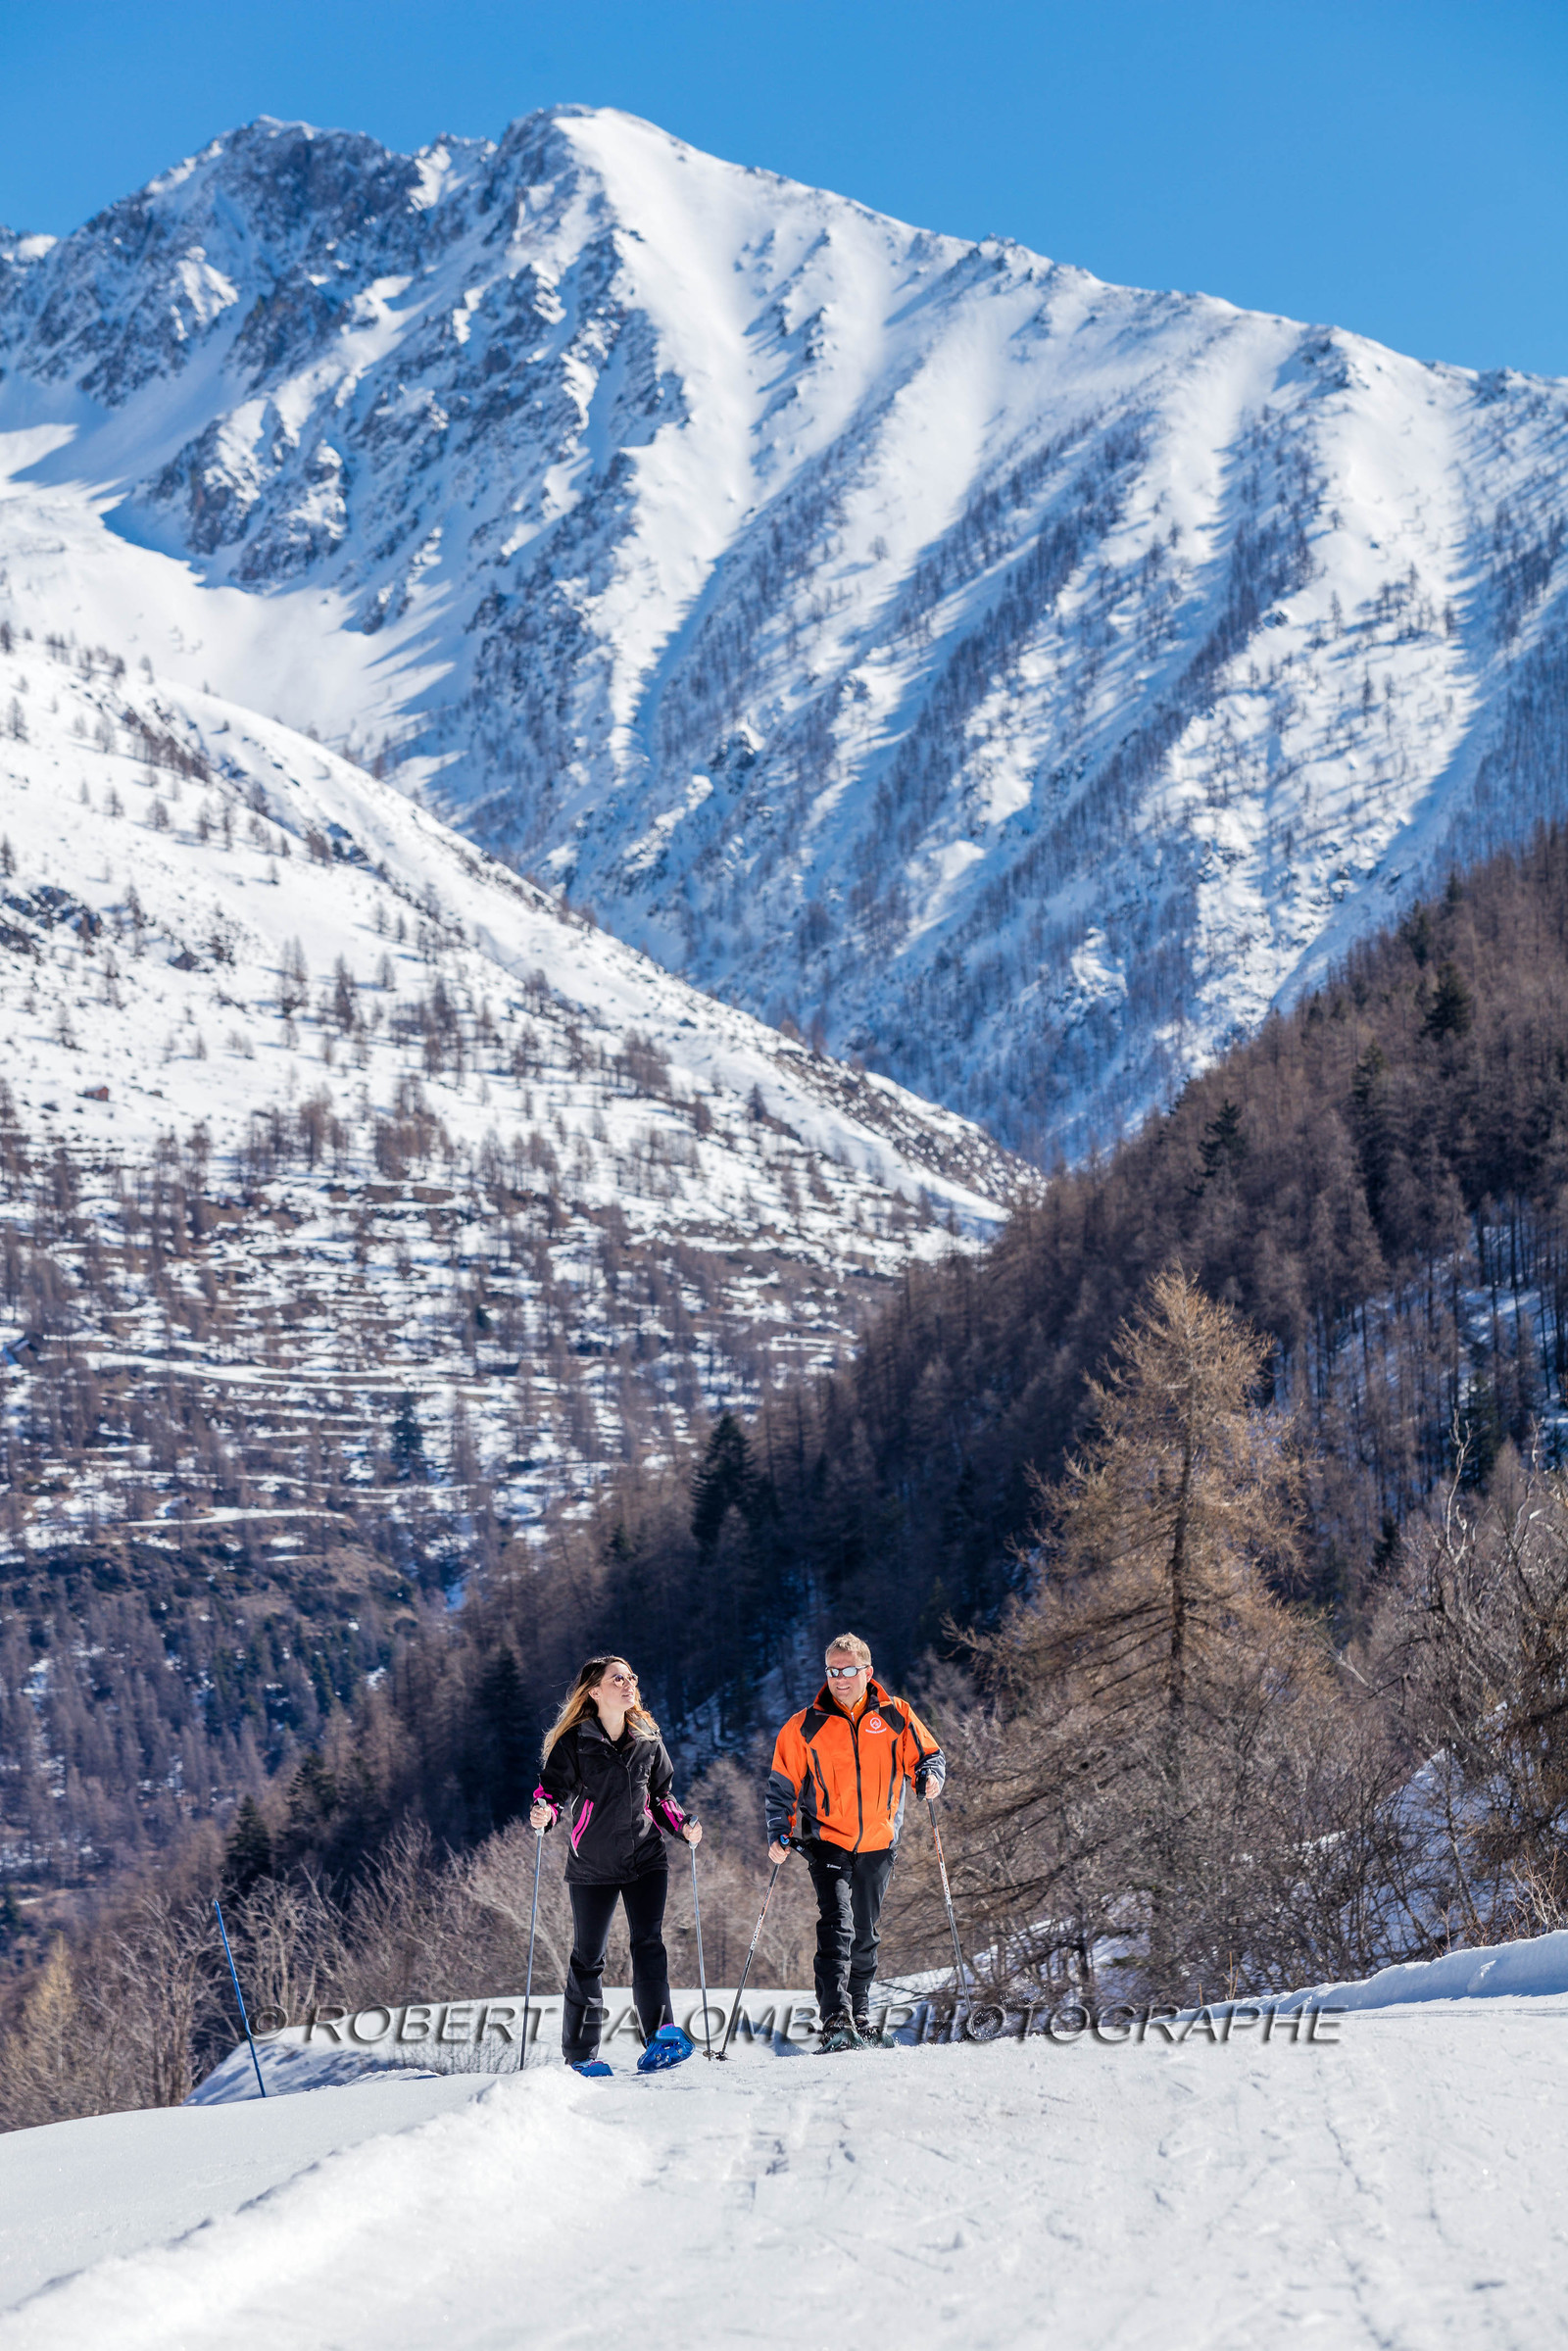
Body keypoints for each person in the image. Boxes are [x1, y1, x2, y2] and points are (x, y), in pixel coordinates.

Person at [765, 1632, 946, 2050]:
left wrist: (930, 1777)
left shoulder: (896, 1714)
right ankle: (835, 2019)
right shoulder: (804, 1725)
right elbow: (781, 1787)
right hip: (827, 1839)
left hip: (880, 1839)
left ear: (867, 1671)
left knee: (865, 1931)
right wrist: (779, 1830)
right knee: (837, 1925)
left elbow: (928, 1755)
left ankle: (860, 2013)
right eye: (832, 1670)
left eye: (847, 1670)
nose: (839, 1679)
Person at [529, 1655, 703, 2073]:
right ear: (595, 1691)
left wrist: (685, 1825)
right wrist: (545, 1814)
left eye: (631, 1678)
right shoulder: (574, 1741)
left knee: (649, 1945)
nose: (628, 1684)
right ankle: (581, 2057)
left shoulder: (648, 1736)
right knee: (588, 1958)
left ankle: (660, 2039)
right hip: (592, 1863)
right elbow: (551, 1794)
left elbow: (661, 1797)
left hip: (646, 1857)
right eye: (618, 1679)